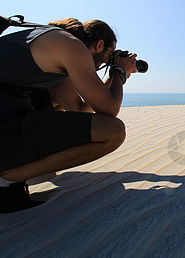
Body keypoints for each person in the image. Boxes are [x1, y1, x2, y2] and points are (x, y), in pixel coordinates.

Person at [0, 18, 137, 213]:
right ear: (100, 45)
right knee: (114, 131)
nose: (108, 60)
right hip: (5, 130)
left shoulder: (52, 43)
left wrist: (109, 80)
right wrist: (119, 72)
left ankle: (11, 173)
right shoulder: (73, 47)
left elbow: (78, 109)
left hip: (8, 124)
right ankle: (5, 181)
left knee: (54, 106)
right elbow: (110, 112)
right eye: (110, 54)